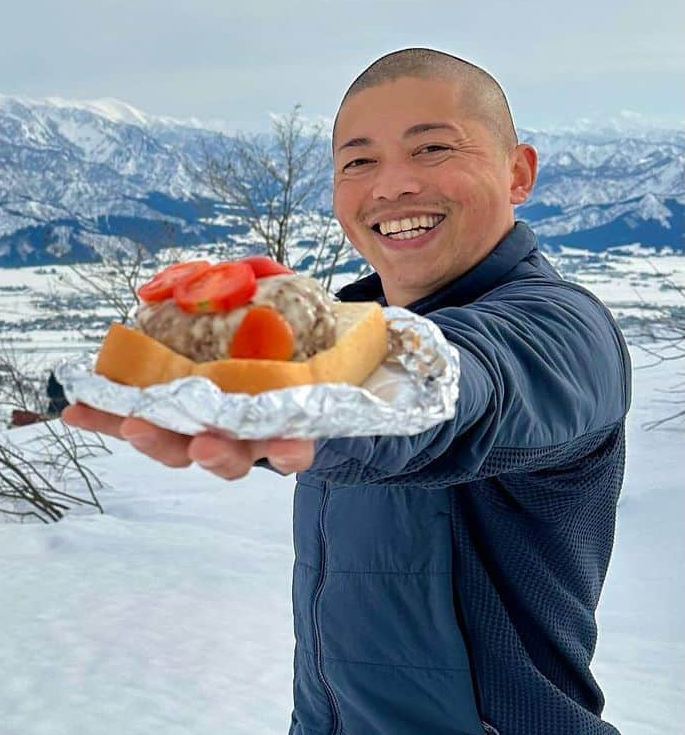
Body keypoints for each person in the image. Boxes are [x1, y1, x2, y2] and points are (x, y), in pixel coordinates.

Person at [63, 49, 630, 735]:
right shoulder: (333, 339)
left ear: (518, 174)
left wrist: (326, 407)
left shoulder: (564, 330)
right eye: (358, 162)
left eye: (432, 148)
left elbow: (467, 385)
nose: (392, 186)